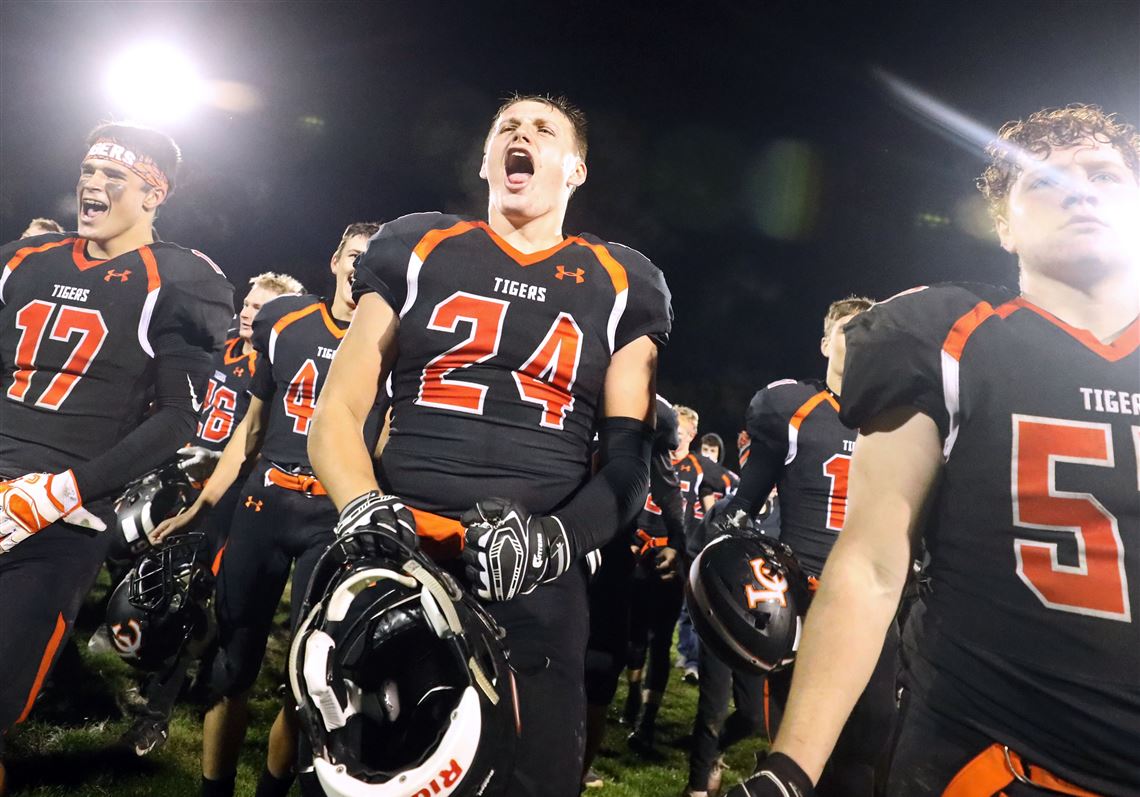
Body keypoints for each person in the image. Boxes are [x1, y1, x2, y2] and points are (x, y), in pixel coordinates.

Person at [730, 105, 1140, 797]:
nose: (1079, 190)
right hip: (994, 762)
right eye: (1046, 180)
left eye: (1103, 174)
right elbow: (873, 561)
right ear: (1004, 226)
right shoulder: (946, 334)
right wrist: (791, 768)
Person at [308, 93, 671, 797]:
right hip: (398, 547)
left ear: (576, 169)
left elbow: (630, 464)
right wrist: (361, 506)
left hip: (533, 573)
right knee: (362, 772)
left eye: (543, 129)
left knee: (531, 777)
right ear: (485, 160)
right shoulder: (419, 245)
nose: (521, 134)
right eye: (508, 126)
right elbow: (339, 411)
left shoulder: (622, 280)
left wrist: (553, 542)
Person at [0, 123, 234, 791]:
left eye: (114, 175)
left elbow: (178, 418)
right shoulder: (25, 259)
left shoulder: (179, 279)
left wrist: (61, 491)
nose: (93, 183)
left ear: (154, 193)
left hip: (60, 518)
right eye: (88, 169)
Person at [154, 223, 383, 797]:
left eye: (373, 260)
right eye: (354, 256)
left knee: (309, 679)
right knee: (231, 664)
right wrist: (205, 503)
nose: (360, 269)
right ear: (335, 259)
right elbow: (251, 430)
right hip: (265, 502)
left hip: (334, 516)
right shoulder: (286, 319)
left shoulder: (391, 338)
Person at [705, 296, 888, 797]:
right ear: (825, 343)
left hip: (876, 605)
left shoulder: (899, 417)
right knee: (797, 754)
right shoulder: (793, 408)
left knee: (869, 749)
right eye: (848, 328)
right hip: (806, 599)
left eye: (871, 328)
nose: (860, 337)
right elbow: (743, 505)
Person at [117, 271, 303, 757]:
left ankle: (157, 714)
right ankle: (157, 669)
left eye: (260, 308)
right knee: (152, 577)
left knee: (193, 598)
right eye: (248, 303)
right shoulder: (225, 349)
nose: (247, 312)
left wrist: (217, 462)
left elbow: (267, 442)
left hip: (234, 498)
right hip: (186, 480)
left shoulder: (283, 365)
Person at [582, 394, 684, 790]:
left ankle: (571, 760)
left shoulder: (647, 408)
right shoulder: (647, 407)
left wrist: (676, 539)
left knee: (597, 662)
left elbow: (664, 482)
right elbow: (666, 484)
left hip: (587, 547)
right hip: (586, 548)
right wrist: (677, 539)